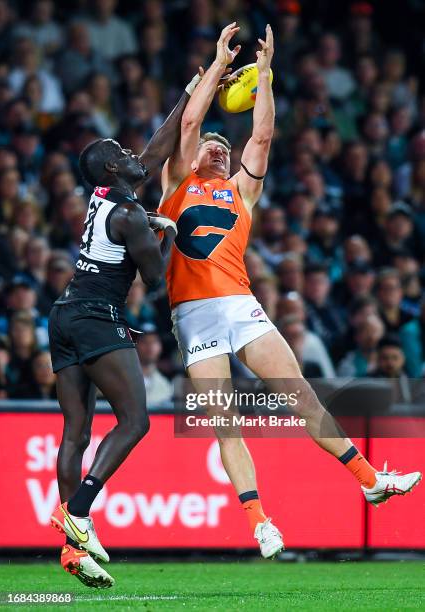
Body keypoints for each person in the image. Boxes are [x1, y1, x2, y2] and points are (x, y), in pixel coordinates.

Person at [159, 23, 422, 559]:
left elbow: (261, 136)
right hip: (193, 315)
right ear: (192, 158)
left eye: (223, 148)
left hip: (239, 304)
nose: (219, 150)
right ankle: (260, 522)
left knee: (299, 394)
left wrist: (266, 75)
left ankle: (370, 480)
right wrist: (216, 63)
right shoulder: (176, 185)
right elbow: (189, 119)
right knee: (223, 419)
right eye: (211, 145)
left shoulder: (242, 192)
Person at [48, 69, 203, 588]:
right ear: (114, 166)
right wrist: (167, 228)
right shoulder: (131, 214)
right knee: (136, 422)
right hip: (97, 318)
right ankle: (80, 511)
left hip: (64, 312)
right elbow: (156, 281)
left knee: (76, 432)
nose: (136, 153)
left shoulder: (104, 193)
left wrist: (187, 94)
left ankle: (73, 550)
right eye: (123, 150)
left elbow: (155, 152)